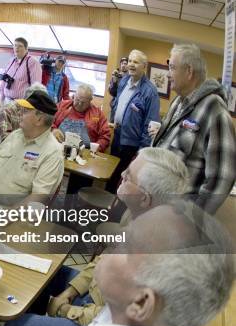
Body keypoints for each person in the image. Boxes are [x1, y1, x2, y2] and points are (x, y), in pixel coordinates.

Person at [0, 200, 234, 326]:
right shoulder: (144, 317)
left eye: (126, 246)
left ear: (141, 301)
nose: (110, 246)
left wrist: (65, 309)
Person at [0, 148, 190, 326]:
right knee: (46, 273)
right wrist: (70, 292)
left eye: (129, 176)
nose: (121, 175)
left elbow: (111, 322)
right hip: (97, 296)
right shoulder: (136, 215)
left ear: (145, 198)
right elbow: (105, 259)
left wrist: (64, 310)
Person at [151, 43, 236, 213]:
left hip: (176, 217)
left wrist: (193, 219)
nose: (168, 75)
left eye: (172, 68)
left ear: (189, 71)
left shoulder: (215, 109)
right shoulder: (178, 102)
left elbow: (222, 178)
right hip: (155, 207)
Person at [0, 90, 62, 206]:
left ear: (39, 120)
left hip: (10, 212)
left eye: (26, 111)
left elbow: (38, 198)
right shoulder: (15, 135)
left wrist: (7, 215)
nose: (20, 112)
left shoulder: (52, 153)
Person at [107, 49, 160, 193]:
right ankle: (104, 208)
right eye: (130, 61)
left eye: (135, 62)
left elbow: (150, 125)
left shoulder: (150, 92)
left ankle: (115, 212)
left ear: (144, 66)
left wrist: (141, 153)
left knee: (123, 181)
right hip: (117, 136)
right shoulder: (124, 81)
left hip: (131, 145)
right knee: (110, 175)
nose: (131, 64)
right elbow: (117, 101)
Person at [51, 83, 111, 194]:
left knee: (80, 185)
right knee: (49, 179)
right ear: (73, 96)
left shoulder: (97, 113)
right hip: (59, 148)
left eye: (83, 102)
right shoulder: (63, 106)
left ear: (90, 101)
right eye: (77, 99)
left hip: (84, 153)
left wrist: (96, 148)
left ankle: (73, 206)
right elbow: (48, 120)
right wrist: (53, 129)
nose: (79, 104)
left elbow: (105, 135)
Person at [0, 83, 47, 156]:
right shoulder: (7, 111)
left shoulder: (37, 113)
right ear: (27, 100)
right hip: (0, 155)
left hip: (24, 154)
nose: (38, 110)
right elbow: (6, 142)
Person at [0, 37, 42, 104]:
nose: (16, 48)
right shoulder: (11, 61)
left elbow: (36, 87)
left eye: (20, 46)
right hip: (7, 102)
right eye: (15, 45)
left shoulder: (32, 62)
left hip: (21, 104)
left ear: (26, 49)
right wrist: (1, 100)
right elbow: (4, 81)